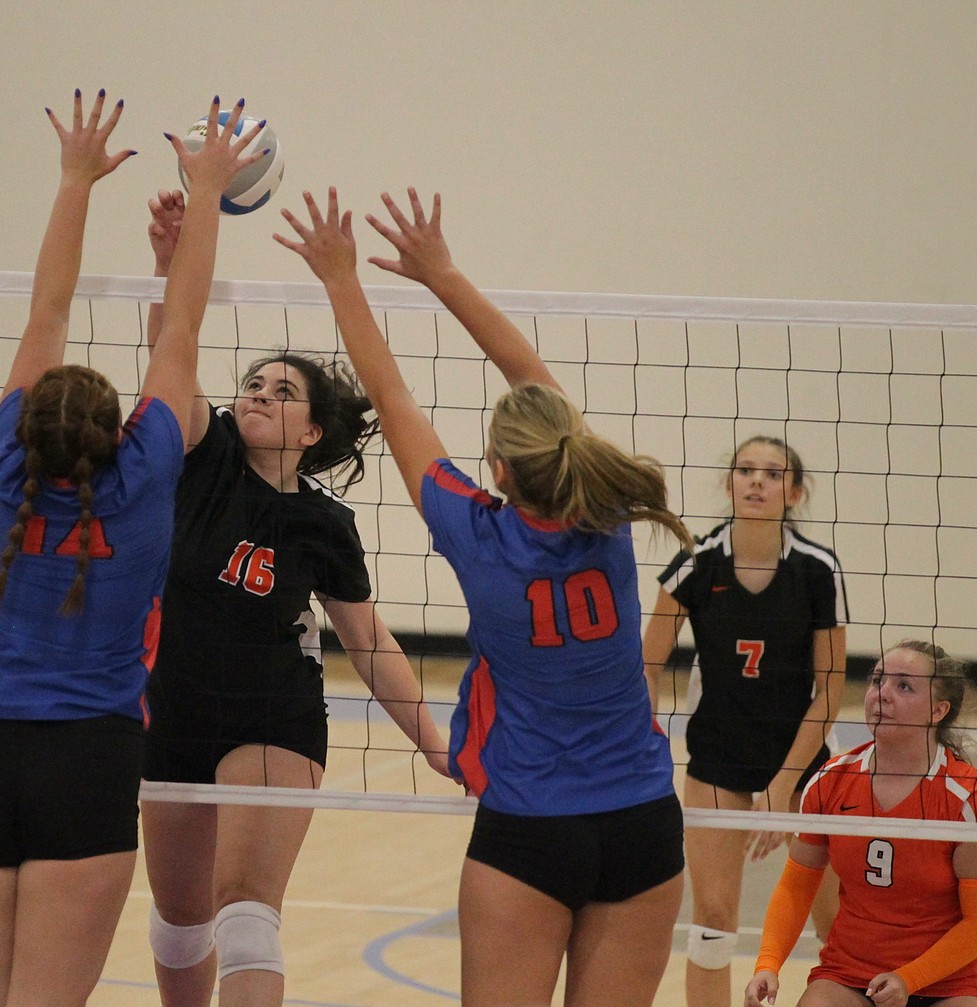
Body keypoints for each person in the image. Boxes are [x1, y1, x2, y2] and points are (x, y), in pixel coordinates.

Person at [276, 185, 690, 1007]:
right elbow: (536, 389)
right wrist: (444, 274)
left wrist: (341, 279)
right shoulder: (606, 521)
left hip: (530, 828)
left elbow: (391, 398)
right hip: (644, 822)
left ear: (497, 472)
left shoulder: (479, 538)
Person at [0, 92, 262, 1006]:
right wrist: (205, 197)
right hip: (89, 759)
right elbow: (183, 328)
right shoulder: (145, 476)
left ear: (25, 426)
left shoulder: (9, 472)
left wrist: (74, 180)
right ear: (122, 433)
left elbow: (46, 307)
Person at [138, 189, 451, 1007]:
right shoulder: (198, 458)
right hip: (169, 710)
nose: (258, 394)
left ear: (313, 432)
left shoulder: (322, 522)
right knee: (176, 923)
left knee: (244, 914)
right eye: (253, 383)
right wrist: (167, 266)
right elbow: (169, 352)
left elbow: (369, 640)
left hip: (271, 717)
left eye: (282, 391)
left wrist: (432, 740)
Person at [641, 435, 849, 1007]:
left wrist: (783, 787)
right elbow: (647, 664)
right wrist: (646, 743)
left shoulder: (816, 570)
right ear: (729, 483)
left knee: (836, 921)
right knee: (711, 917)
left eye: (772, 473)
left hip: (803, 757)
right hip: (719, 755)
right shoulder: (694, 564)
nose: (757, 481)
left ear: (794, 491)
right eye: (745, 470)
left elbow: (830, 692)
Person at [745, 640, 977, 1007]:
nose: (882, 694)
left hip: (950, 980)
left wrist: (909, 978)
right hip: (852, 973)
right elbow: (796, 887)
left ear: (938, 710)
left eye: (903, 686)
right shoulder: (830, 780)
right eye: (877, 680)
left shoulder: (968, 801)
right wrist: (768, 964)